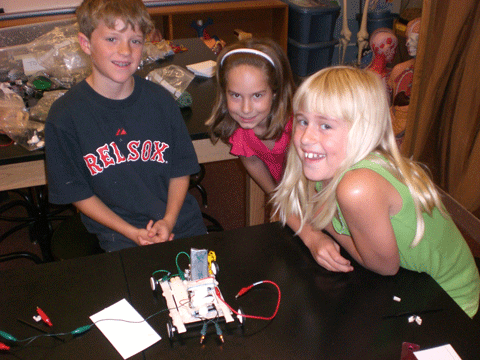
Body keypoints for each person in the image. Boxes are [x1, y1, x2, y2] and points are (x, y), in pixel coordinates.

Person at [272, 66, 480, 318]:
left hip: (450, 303)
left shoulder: (358, 187)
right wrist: (312, 236)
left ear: (363, 129)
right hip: (411, 283)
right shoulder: (328, 162)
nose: (305, 137)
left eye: (325, 125)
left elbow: (384, 267)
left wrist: (323, 223)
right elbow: (287, 204)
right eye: (303, 121)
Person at [45, 0, 207, 252]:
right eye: (112, 39)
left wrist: (169, 220)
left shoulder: (161, 100)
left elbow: (180, 169)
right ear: (86, 43)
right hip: (119, 235)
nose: (125, 50)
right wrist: (130, 232)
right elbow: (77, 192)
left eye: (135, 40)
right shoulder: (65, 115)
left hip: (180, 224)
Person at [206, 38, 328, 249]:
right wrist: (299, 224)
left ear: (276, 91)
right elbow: (271, 188)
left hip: (325, 199)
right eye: (235, 95)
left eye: (257, 95)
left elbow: (322, 189)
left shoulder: (300, 127)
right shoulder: (241, 134)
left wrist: (310, 233)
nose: (245, 109)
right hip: (297, 203)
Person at [387, 17, 421, 141]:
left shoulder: (431, 77)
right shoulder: (400, 70)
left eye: (413, 39)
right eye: (407, 38)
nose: (407, 43)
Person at [366, 27, 398, 99]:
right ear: (386, 50)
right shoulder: (369, 77)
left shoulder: (391, 73)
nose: (395, 52)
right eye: (393, 49)